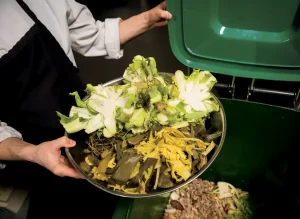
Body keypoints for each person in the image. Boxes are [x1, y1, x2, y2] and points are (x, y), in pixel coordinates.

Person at [0, 0, 171, 218]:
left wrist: (148, 19)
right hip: (32, 148)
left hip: (87, 125)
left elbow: (95, 36)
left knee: (113, 195)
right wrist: (31, 152)